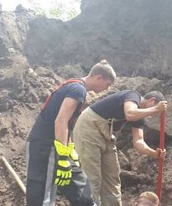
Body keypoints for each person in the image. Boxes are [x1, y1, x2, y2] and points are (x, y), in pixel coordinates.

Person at [26, 60, 116, 206]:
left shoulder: (74, 87)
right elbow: (61, 121)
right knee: (42, 191)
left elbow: (66, 124)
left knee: (75, 181)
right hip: (45, 145)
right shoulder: (78, 90)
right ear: (98, 77)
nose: (106, 89)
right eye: (107, 84)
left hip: (53, 144)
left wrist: (70, 150)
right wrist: (62, 156)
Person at [72, 90, 168, 206]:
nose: (152, 115)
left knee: (112, 178)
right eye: (153, 108)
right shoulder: (133, 96)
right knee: (93, 177)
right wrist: (156, 109)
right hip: (89, 128)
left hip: (106, 136)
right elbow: (130, 113)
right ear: (152, 100)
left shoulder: (140, 117)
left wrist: (154, 153)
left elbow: (138, 142)